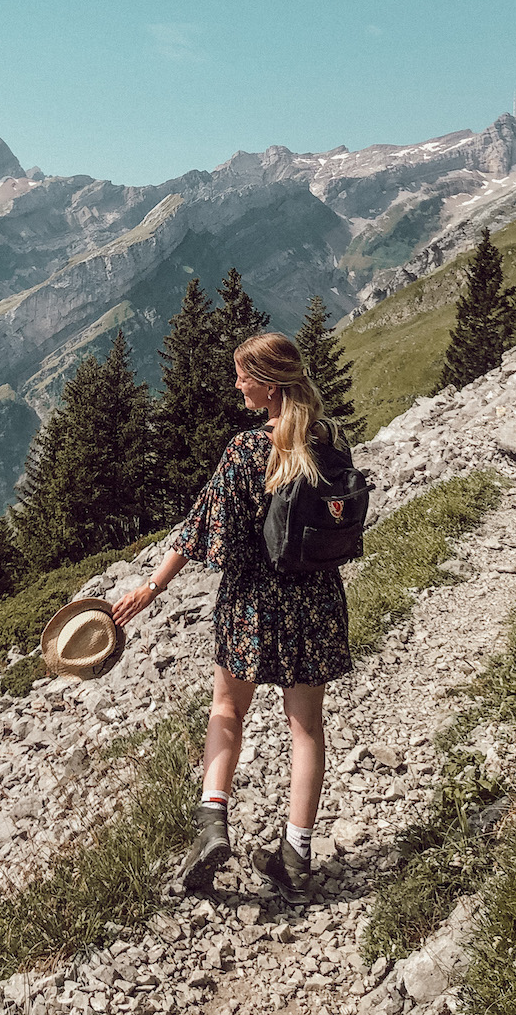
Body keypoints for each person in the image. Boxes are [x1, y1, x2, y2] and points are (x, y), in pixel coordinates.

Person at [112, 331, 353, 904]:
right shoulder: (329, 440)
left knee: (227, 708)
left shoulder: (247, 450)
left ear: (268, 385)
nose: (237, 384)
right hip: (316, 598)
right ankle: (296, 856)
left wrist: (151, 587)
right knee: (306, 727)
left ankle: (212, 824)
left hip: (251, 601)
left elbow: (200, 528)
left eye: (244, 376)